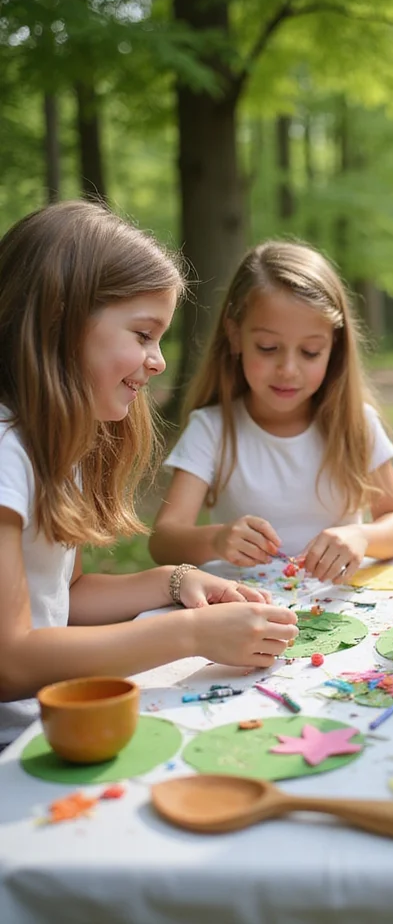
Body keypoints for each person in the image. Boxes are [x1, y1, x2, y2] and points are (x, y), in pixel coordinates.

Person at [0, 201, 297, 749]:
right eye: (142, 335)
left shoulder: (58, 447)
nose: (158, 360)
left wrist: (177, 581)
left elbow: (70, 595)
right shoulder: (6, 456)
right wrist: (187, 634)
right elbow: (12, 661)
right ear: (59, 321)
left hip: (54, 724)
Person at [149, 239, 393, 582]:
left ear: (334, 347)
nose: (288, 369)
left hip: (336, 607)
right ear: (235, 336)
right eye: (268, 347)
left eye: (310, 352)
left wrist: (362, 536)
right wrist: (216, 539)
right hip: (246, 608)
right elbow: (164, 540)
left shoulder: (356, 423)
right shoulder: (212, 429)